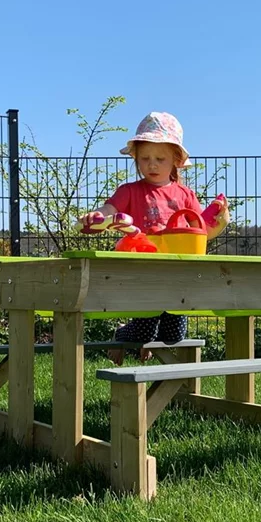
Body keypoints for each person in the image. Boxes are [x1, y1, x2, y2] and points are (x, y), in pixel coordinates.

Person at [79, 112, 230, 365]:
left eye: (160, 158)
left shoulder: (185, 195)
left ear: (176, 161)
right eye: (145, 158)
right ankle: (122, 333)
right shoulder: (129, 191)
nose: (152, 165)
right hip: (144, 271)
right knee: (143, 331)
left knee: (173, 336)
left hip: (178, 273)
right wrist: (98, 215)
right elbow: (110, 211)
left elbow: (200, 230)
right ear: (135, 158)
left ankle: (144, 343)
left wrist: (219, 218)